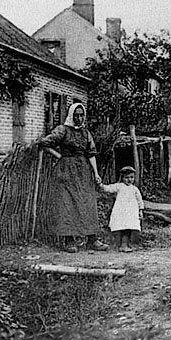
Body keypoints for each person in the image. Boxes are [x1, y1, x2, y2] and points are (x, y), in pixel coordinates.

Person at [40, 103, 108, 253]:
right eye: (76, 115)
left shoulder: (86, 133)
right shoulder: (62, 130)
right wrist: (59, 156)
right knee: (67, 203)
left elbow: (91, 154)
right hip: (66, 171)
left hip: (83, 171)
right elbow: (44, 143)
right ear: (71, 115)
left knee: (87, 202)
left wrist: (96, 173)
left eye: (81, 115)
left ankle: (92, 239)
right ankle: (69, 240)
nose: (78, 118)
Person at [99, 166, 144, 253]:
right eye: (126, 177)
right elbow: (109, 189)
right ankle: (117, 245)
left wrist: (140, 210)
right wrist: (101, 185)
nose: (129, 180)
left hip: (131, 212)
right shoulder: (119, 186)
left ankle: (126, 245)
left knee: (129, 228)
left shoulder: (135, 189)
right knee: (120, 227)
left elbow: (140, 200)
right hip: (121, 211)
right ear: (122, 178)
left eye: (131, 177)